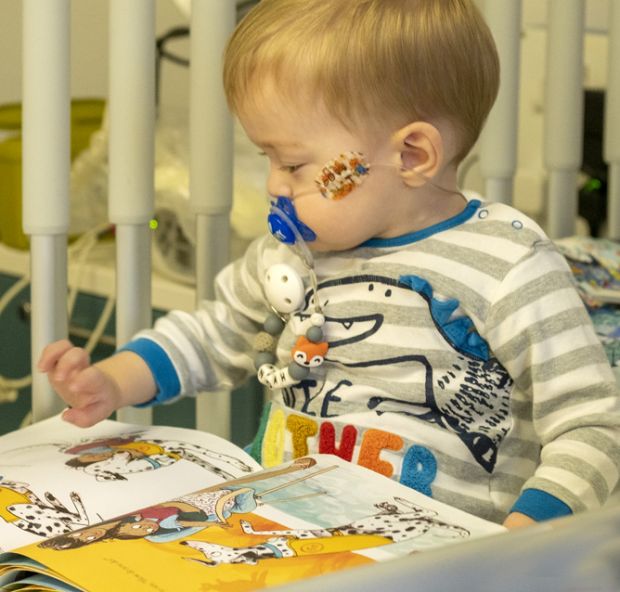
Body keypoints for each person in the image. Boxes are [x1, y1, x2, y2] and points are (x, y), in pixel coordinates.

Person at [38, 0, 619, 531]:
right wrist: (112, 381)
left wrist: (525, 538)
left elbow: (593, 425)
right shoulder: (291, 255)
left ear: (411, 155)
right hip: (283, 530)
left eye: (292, 164)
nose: (273, 185)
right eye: (269, 158)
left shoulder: (508, 266)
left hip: (447, 557)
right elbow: (214, 334)